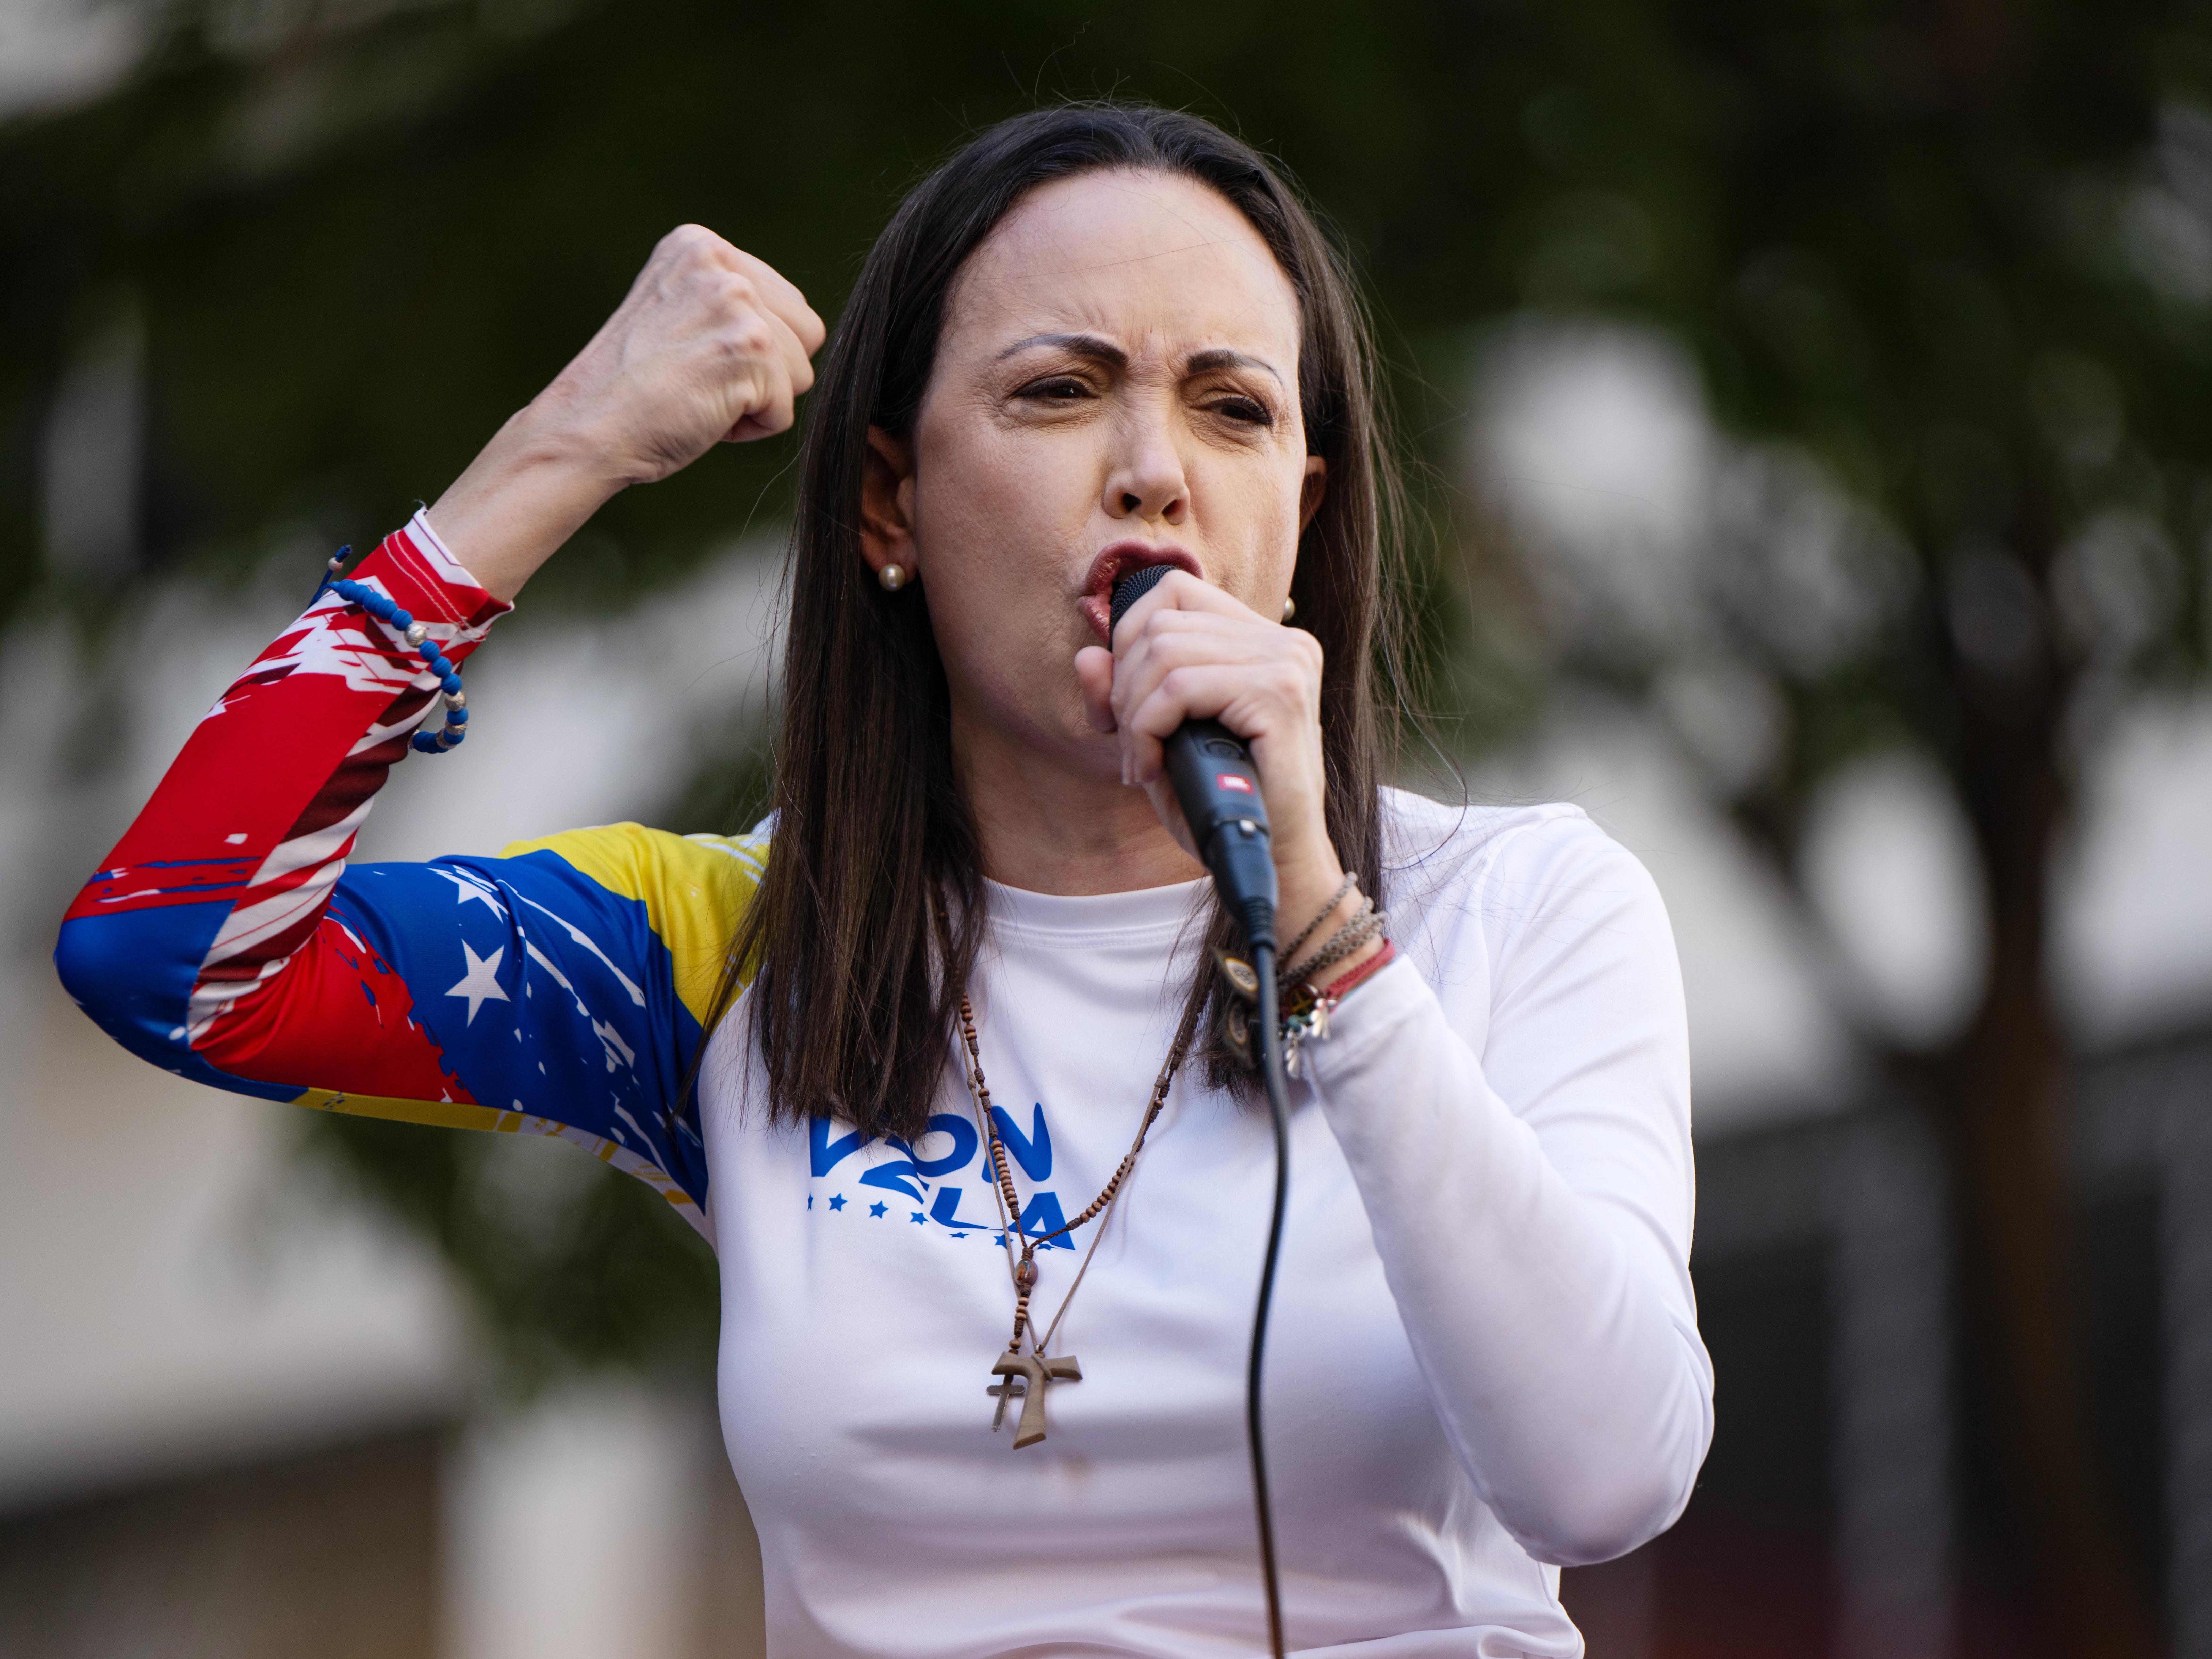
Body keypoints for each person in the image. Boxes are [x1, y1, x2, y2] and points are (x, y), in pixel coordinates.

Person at [55, 103, 1711, 1656]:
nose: (1154, 469)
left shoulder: (1516, 908)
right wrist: (560, 452)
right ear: (888, 501)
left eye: (1234, 407)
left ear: (1304, 507)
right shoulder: (742, 945)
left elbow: (1609, 1479)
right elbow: (168, 947)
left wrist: (1330, 935)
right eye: (1059, 391)